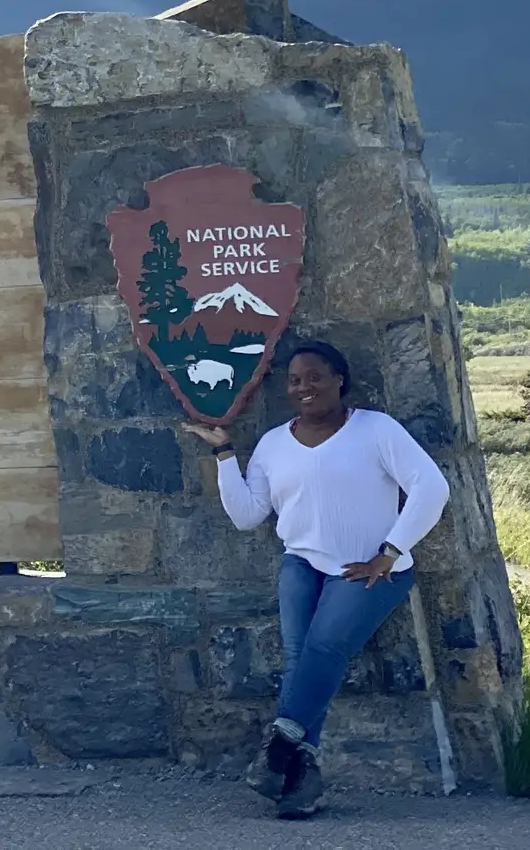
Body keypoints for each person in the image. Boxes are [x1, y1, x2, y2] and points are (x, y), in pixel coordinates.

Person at [185, 341, 450, 820]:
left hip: (369, 569)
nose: (304, 386)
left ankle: (278, 749)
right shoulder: (271, 444)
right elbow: (248, 516)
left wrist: (390, 551)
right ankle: (300, 780)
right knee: (300, 665)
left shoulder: (375, 430)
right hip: (301, 564)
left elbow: (432, 487)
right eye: (295, 380)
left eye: (315, 376)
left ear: (339, 379)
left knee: (324, 650)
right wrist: (225, 454)